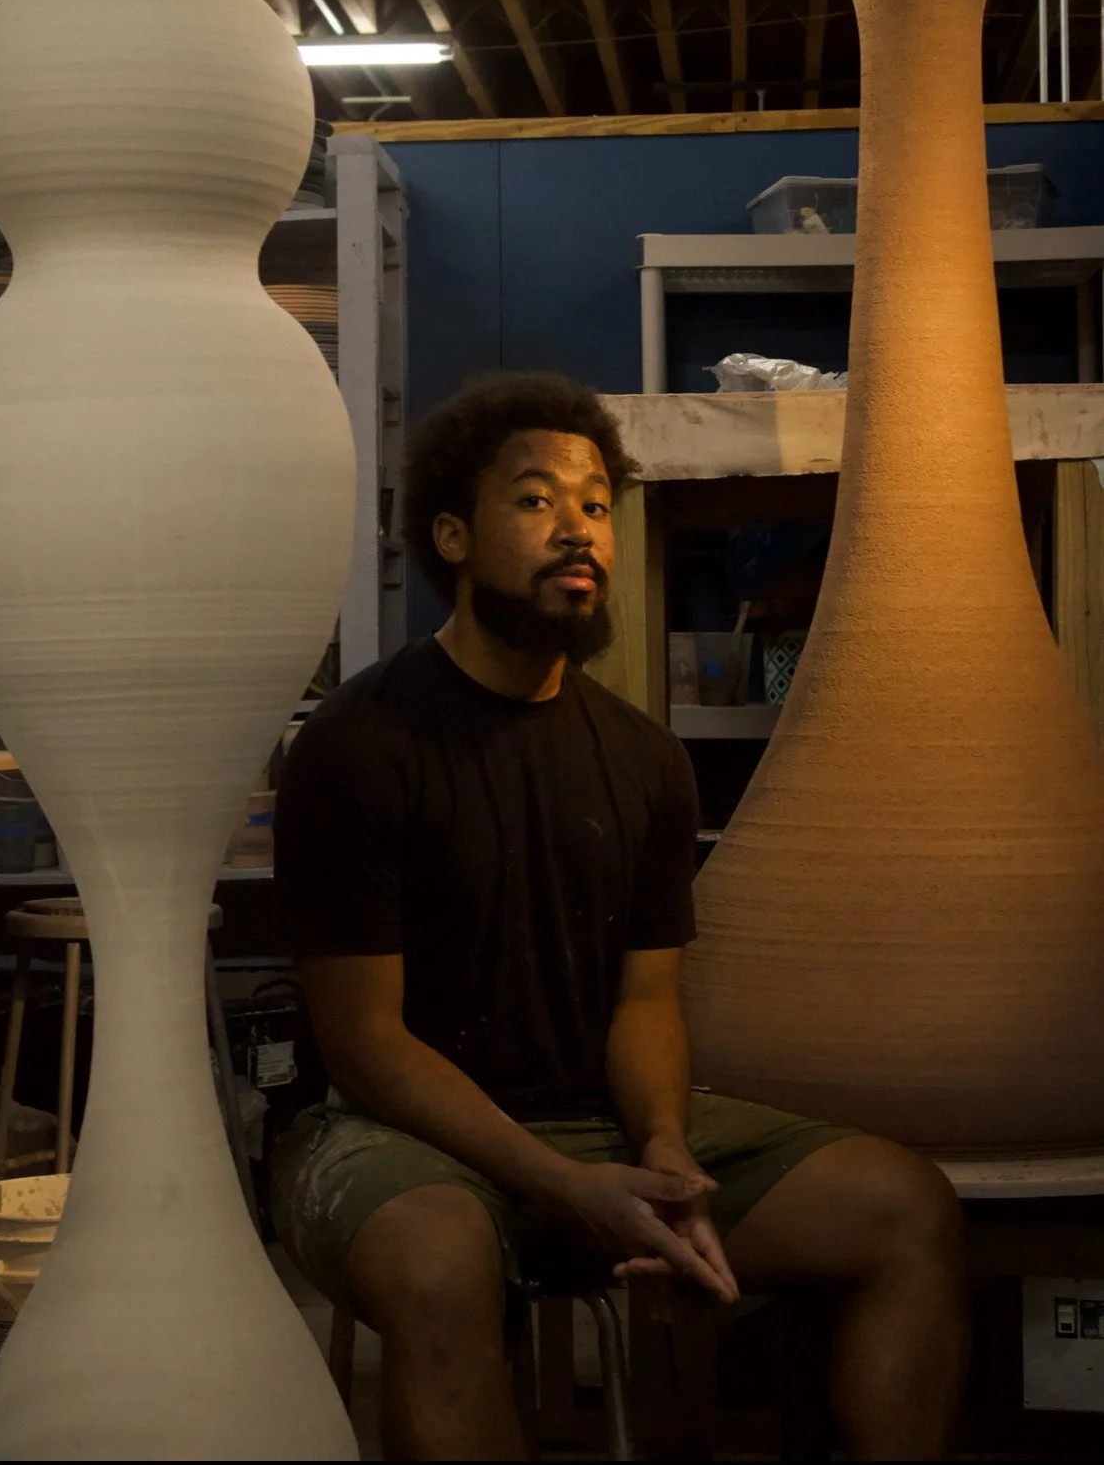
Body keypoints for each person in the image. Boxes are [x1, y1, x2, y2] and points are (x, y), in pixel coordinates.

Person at [271, 371, 967, 1462]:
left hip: (592, 1118)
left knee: (903, 1203)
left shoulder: (644, 760)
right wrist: (561, 1187)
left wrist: (666, 1153)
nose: (577, 529)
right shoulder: (357, 747)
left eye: (595, 504)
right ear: (452, 537)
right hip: (389, 1136)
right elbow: (364, 1043)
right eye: (535, 499)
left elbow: (646, 1003)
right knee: (439, 1264)